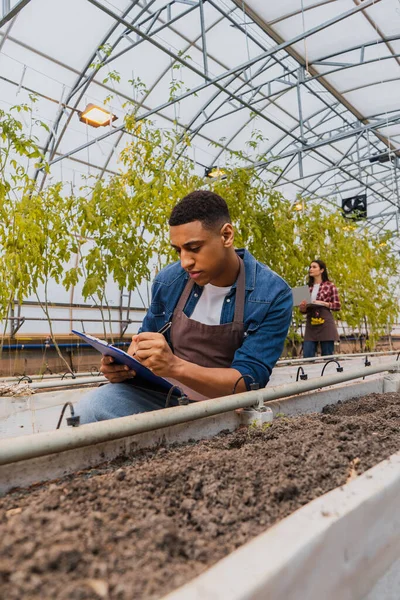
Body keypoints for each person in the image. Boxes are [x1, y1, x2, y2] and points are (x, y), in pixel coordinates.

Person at [76, 190, 293, 423]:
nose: (185, 262)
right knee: (89, 409)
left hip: (227, 407)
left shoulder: (272, 294)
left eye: (194, 248)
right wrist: (126, 366)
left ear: (227, 235)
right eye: (178, 250)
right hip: (169, 397)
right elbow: (145, 341)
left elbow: (248, 381)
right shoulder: (169, 281)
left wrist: (174, 366)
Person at [299, 259, 341, 358]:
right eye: (310, 267)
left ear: (321, 270)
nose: (311, 269)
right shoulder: (307, 288)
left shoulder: (330, 285)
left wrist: (322, 303)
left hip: (325, 322)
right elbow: (302, 311)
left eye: (314, 267)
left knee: (327, 357)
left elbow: (337, 305)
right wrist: (302, 307)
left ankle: (328, 373)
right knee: (307, 355)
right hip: (311, 322)